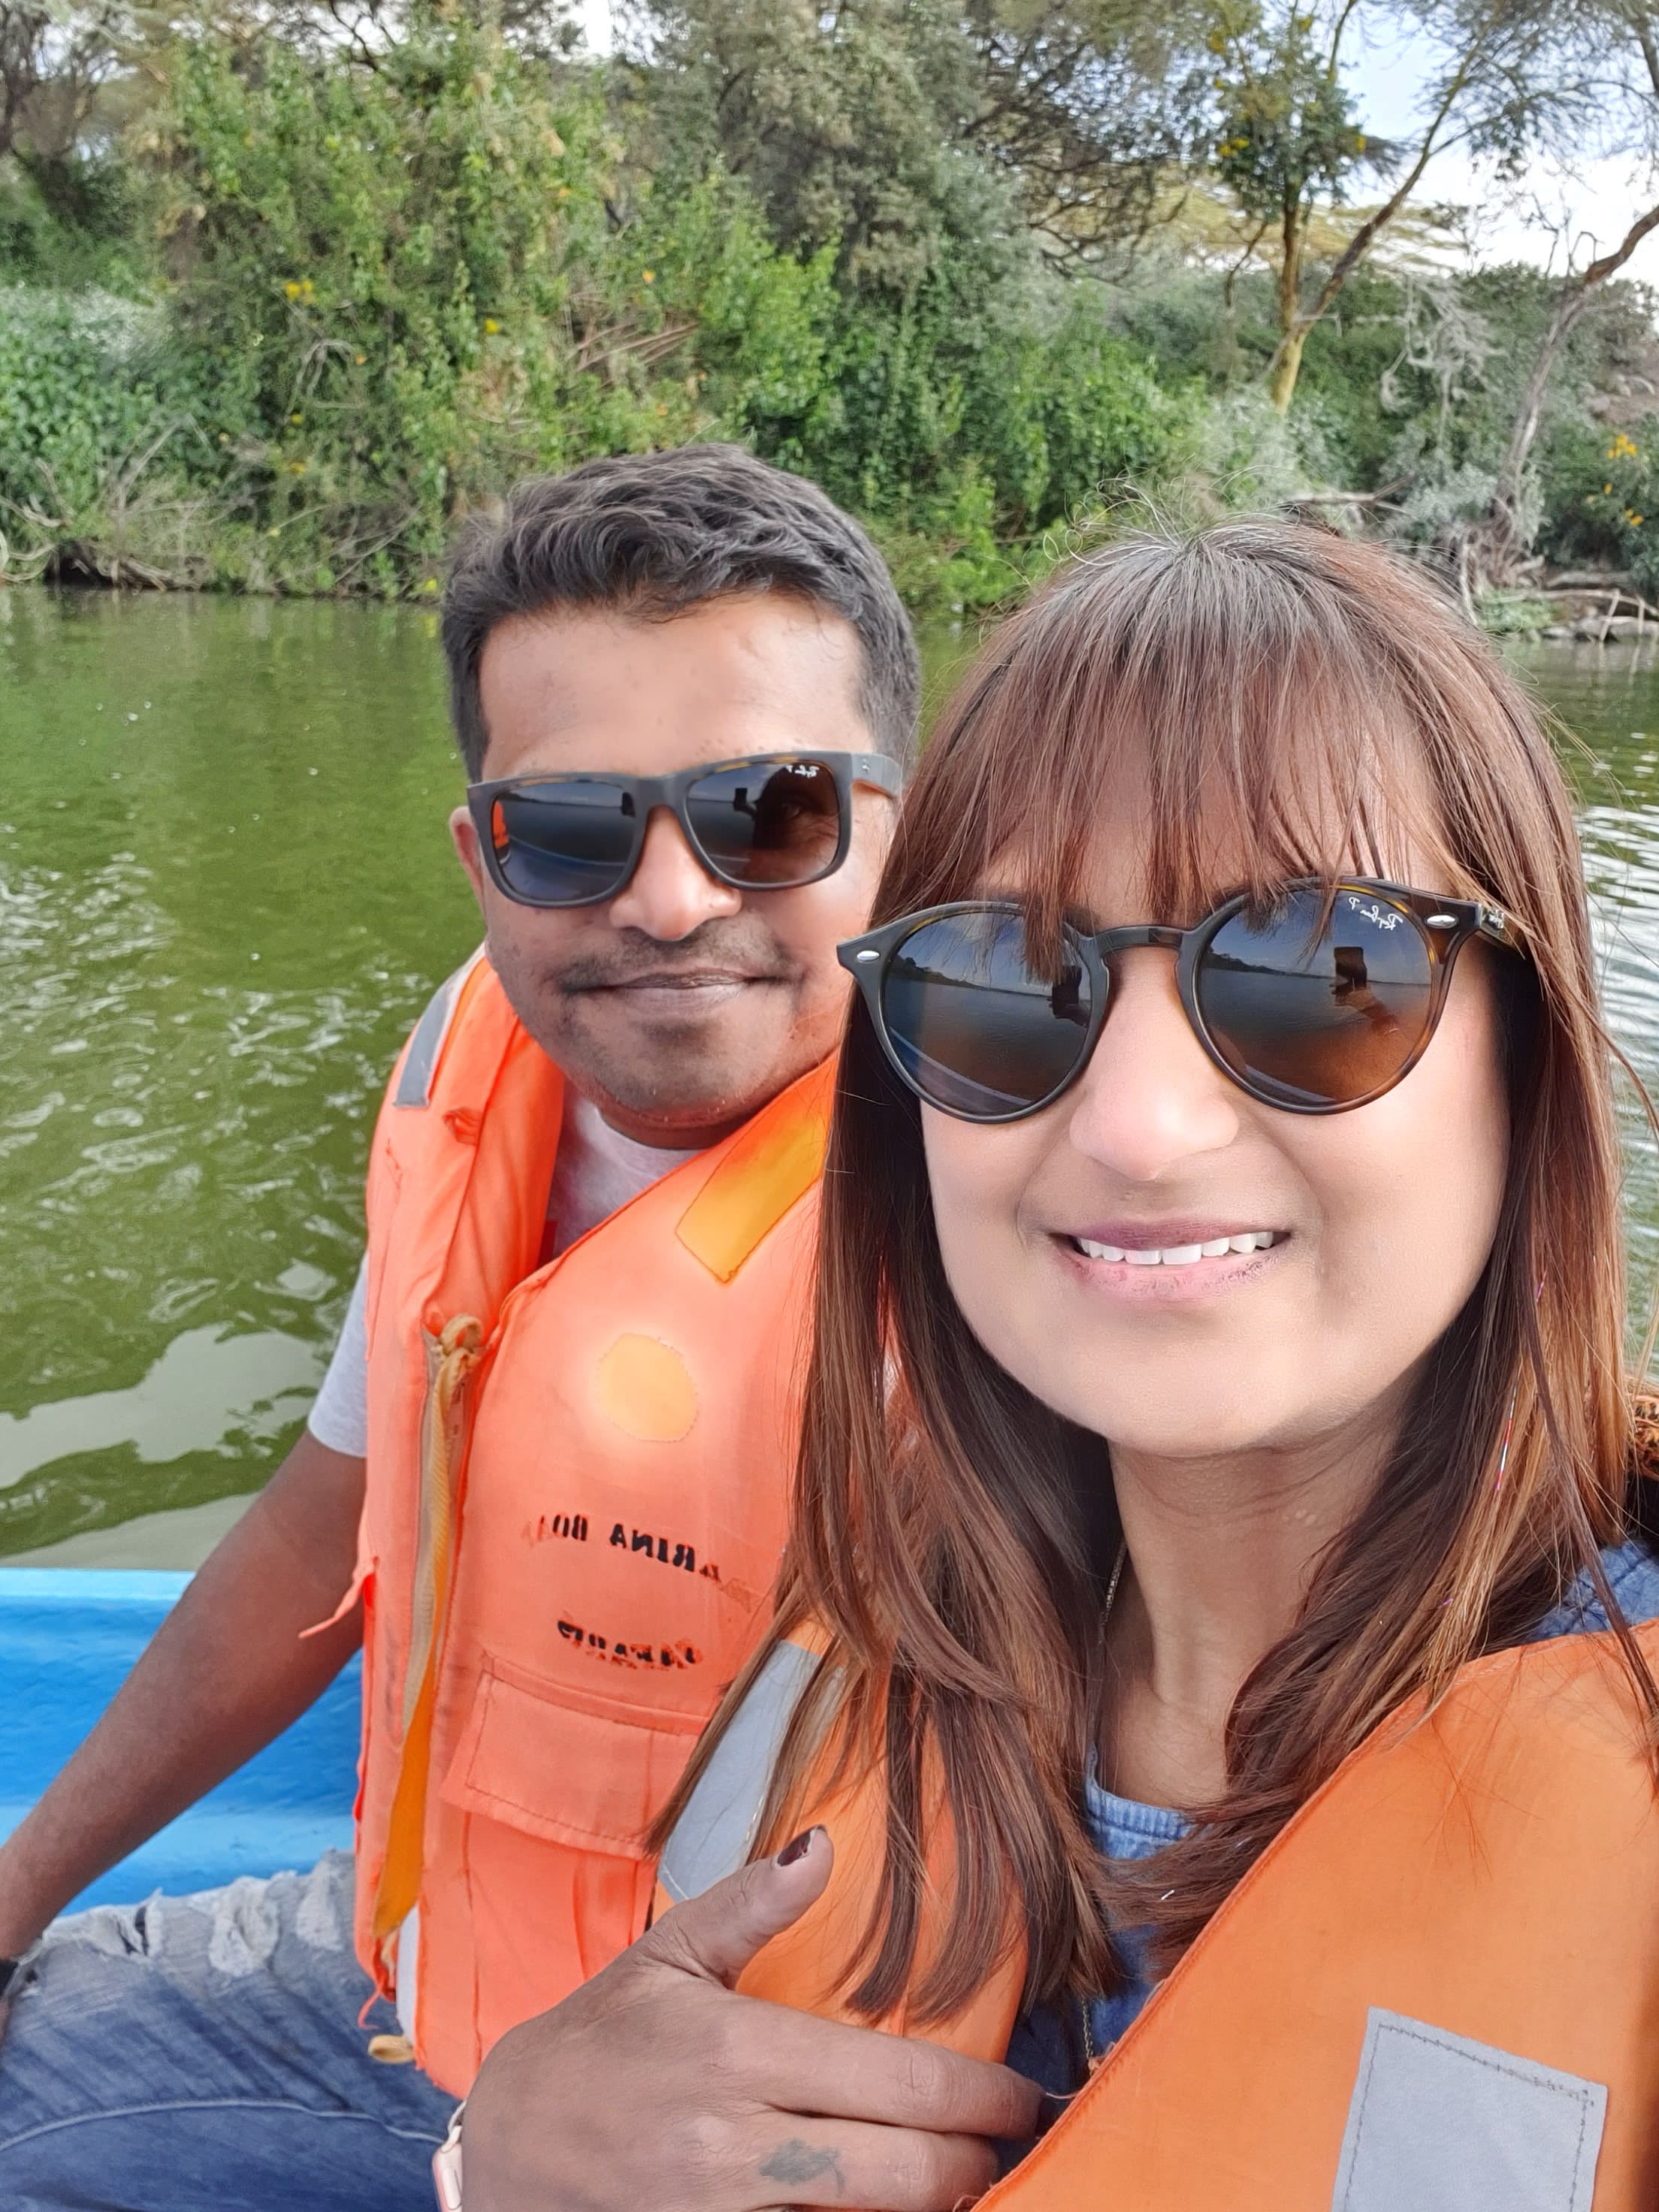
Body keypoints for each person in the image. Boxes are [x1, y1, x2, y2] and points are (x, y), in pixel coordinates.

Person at [452, 518, 1659, 2212]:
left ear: (1528, 1060)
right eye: (1007, 981)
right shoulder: (852, 1661)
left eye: (1328, 971)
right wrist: (491, 2160)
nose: (1142, 1126)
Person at [0, 446, 912, 2210]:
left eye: (771, 810)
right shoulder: (476, 1052)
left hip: (773, 2115)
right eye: (568, 829)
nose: (666, 901)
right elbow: (325, 1520)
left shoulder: (1020, 1179)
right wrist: (20, 1877)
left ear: (900, 823)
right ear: (480, 854)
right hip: (424, 1968)